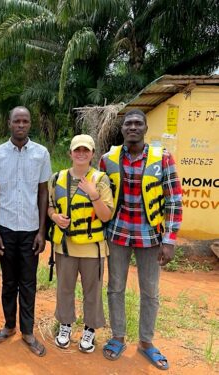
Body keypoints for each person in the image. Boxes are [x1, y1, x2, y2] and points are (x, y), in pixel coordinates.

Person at [99, 109, 182, 370]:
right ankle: (117, 337)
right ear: (121, 129)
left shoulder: (163, 159)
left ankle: (146, 342)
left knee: (150, 292)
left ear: (146, 129)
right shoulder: (108, 159)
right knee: (115, 288)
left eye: (138, 123)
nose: (132, 127)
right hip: (117, 234)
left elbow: (174, 200)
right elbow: (101, 197)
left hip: (150, 237)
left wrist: (169, 240)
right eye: (128, 124)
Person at [0, 106, 51, 357]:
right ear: (9, 123)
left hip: (30, 229)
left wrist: (41, 231)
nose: (21, 125)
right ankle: (8, 326)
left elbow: (43, 192)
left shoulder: (41, 153)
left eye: (25, 121)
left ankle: (28, 332)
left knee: (28, 282)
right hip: (5, 226)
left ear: (30, 124)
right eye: (17, 121)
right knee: (8, 281)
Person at [47, 134, 113, 353]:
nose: (81, 154)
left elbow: (105, 216)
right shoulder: (57, 178)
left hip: (92, 247)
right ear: (71, 153)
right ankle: (65, 325)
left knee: (92, 291)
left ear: (93, 154)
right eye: (77, 150)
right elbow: (50, 207)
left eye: (86, 150)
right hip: (65, 246)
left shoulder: (101, 180)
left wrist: (94, 195)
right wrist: (55, 217)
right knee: (64, 288)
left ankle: (90, 329)